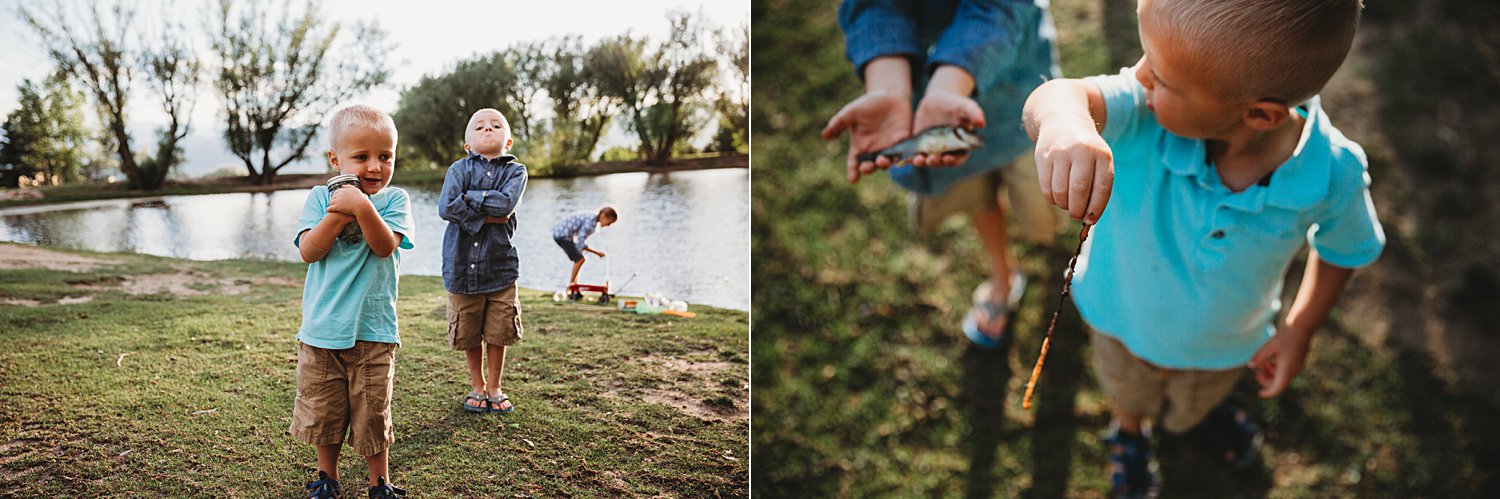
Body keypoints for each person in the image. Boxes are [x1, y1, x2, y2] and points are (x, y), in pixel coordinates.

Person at [1021, 0, 1383, 495]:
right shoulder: (1140, 111)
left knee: (1199, 402)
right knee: (1128, 392)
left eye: (1164, 77)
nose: (1139, 74)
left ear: (1258, 114)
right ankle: (1128, 432)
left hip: (1225, 346)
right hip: (1123, 320)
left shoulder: (1332, 174)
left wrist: (1299, 328)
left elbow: (1346, 248)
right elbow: (1059, 96)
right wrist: (1065, 125)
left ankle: (1197, 420)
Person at [820, 0, 1063, 348]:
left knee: (1043, 204)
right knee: (974, 194)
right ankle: (1002, 276)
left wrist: (948, 87)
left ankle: (1059, 262)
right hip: (931, 107)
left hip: (1018, 90)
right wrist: (889, 88)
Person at [291, 104, 412, 499]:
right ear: (336, 160)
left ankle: (380, 482)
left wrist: (361, 206)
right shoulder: (317, 198)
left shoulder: (395, 201)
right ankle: (327, 477)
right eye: (361, 157)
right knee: (324, 412)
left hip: (373, 331)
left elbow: (382, 247)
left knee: (373, 413)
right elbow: (310, 251)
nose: (375, 167)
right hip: (323, 331)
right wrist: (339, 212)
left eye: (385, 156)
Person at [438, 108, 528, 415]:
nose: (487, 129)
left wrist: (469, 198)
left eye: (496, 125)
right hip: (461, 265)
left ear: (509, 141)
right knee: (469, 330)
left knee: (497, 331)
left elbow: (506, 204)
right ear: (467, 145)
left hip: (500, 266)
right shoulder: (458, 170)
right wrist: (488, 210)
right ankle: (477, 385)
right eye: (479, 127)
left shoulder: (516, 172)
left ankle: (495, 386)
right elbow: (446, 207)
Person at [552, 206, 618, 287]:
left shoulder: (592, 218)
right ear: (603, 216)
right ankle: (571, 287)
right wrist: (597, 253)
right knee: (580, 259)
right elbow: (580, 243)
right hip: (562, 235)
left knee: (579, 259)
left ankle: (574, 286)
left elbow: (580, 241)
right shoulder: (591, 223)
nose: (608, 226)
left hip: (564, 234)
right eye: (609, 223)